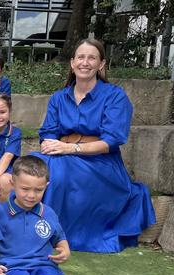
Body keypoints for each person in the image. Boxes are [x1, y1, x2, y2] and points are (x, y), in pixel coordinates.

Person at [34, 38, 155, 253]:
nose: (85, 62)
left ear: (101, 64)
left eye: (92, 58)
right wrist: (49, 146)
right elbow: (48, 133)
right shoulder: (59, 98)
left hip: (101, 163)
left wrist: (70, 148)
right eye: (81, 57)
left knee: (58, 173)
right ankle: (24, 229)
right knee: (33, 166)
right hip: (62, 154)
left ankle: (49, 235)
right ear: (72, 62)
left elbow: (111, 141)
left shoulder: (115, 96)